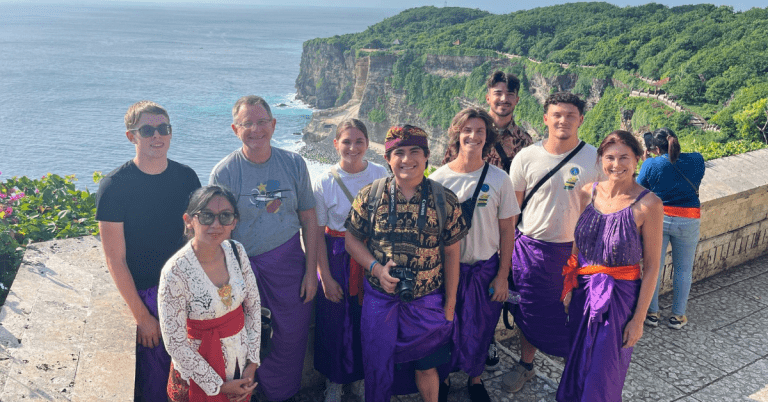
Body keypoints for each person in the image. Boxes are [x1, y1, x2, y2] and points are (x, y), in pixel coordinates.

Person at [344, 125, 468, 402]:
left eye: (415, 152)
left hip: (428, 301)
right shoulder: (370, 196)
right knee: (376, 368)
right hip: (380, 300)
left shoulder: (444, 199)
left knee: (427, 366)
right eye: (398, 152)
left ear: (426, 157)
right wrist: (376, 268)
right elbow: (351, 241)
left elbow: (451, 254)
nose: (406, 159)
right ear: (388, 159)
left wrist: (449, 306)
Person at [209, 95, 318, 401]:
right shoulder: (224, 173)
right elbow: (216, 234)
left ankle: (283, 395)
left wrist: (312, 273)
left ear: (274, 124)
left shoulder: (294, 163)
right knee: (242, 342)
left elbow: (309, 219)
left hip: (288, 268)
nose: (255, 129)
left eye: (261, 122)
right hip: (243, 272)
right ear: (235, 129)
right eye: (247, 123)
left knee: (291, 338)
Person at [96, 100, 201, 402]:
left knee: (194, 376)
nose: (157, 136)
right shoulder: (114, 186)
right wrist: (142, 316)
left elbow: (197, 240)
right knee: (156, 384)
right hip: (146, 296)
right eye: (148, 129)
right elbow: (114, 258)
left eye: (163, 128)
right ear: (132, 136)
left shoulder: (187, 178)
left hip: (186, 293)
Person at [502, 92, 602, 393]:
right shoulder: (526, 157)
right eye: (557, 115)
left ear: (581, 120)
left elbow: (605, 206)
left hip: (577, 251)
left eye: (570, 115)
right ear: (546, 119)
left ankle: (575, 372)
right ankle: (526, 364)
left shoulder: (594, 158)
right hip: (531, 251)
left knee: (578, 314)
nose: (563, 120)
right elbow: (511, 212)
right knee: (530, 312)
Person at [557, 130, 663, 401]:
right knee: (577, 357)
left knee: (604, 368)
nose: (617, 165)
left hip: (619, 297)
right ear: (601, 160)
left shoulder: (649, 204)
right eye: (610, 157)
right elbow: (577, 246)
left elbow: (651, 266)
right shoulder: (586, 193)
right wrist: (570, 286)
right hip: (583, 291)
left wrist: (638, 320)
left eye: (624, 157)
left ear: (638, 159)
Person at [430, 108, 519, 402]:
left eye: (480, 131)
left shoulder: (499, 179)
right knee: (447, 327)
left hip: (485, 269)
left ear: (488, 137)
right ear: (457, 134)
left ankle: (475, 378)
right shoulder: (439, 180)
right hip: (447, 272)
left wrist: (503, 275)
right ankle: (442, 379)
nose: (473, 136)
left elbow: (508, 231)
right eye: (467, 130)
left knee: (482, 328)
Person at [158, 186, 261, 402]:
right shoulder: (175, 272)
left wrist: (252, 364)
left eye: (225, 216)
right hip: (196, 373)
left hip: (239, 364)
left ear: (234, 222)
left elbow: (253, 307)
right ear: (189, 220)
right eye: (206, 216)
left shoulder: (237, 252)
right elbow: (175, 343)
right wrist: (219, 387)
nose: (216, 225)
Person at [312, 119, 388, 402]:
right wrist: (325, 277)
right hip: (337, 257)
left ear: (368, 144)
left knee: (367, 321)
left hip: (371, 257)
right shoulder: (324, 181)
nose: (352, 147)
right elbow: (317, 234)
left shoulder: (380, 173)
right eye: (346, 141)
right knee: (334, 322)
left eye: (359, 141)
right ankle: (334, 381)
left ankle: (359, 377)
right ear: (335, 144)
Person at [637, 127, 705, 330]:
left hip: (659, 220)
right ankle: (678, 316)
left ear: (656, 148)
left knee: (653, 267)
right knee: (683, 269)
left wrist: (646, 161)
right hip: (688, 219)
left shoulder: (651, 164)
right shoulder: (697, 160)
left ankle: (653, 313)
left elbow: (640, 188)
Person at [442, 70, 533, 174]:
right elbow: (447, 170)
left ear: (517, 100)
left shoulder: (524, 141)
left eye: (510, 94)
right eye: (498, 93)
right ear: (488, 98)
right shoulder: (468, 132)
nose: (504, 99)